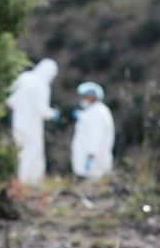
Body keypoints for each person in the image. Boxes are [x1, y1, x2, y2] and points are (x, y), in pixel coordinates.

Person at [6, 58, 60, 186]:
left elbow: (10, 100)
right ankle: (29, 183)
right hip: (32, 125)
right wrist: (53, 114)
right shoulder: (42, 85)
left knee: (21, 152)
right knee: (33, 153)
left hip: (18, 122)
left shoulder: (23, 77)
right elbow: (43, 110)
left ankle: (21, 182)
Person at [71, 81, 115, 179]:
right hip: (87, 160)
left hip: (94, 160)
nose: (82, 99)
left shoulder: (98, 112)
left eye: (85, 96)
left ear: (92, 97)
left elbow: (97, 135)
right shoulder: (92, 111)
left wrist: (91, 154)